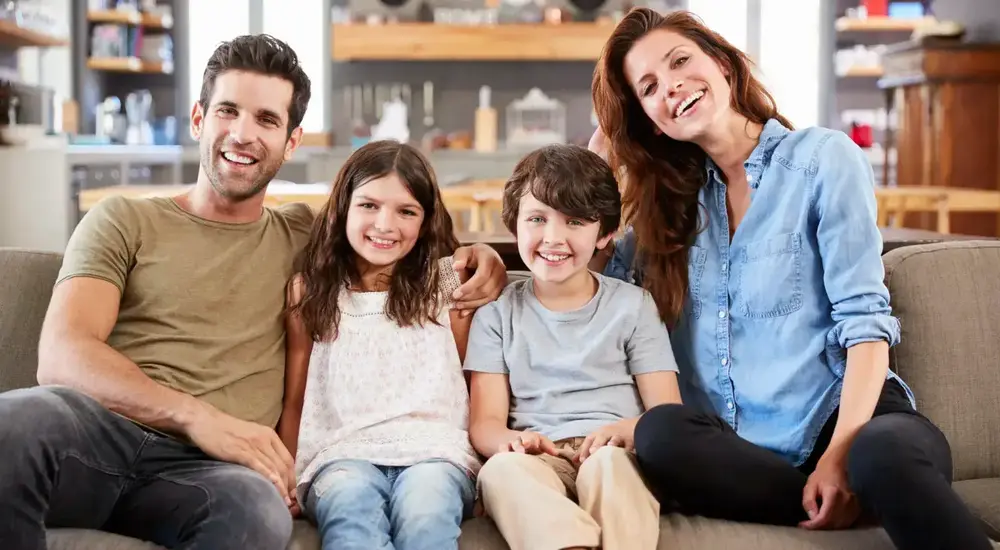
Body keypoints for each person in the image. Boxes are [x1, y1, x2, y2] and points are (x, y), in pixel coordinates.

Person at [0, 35, 507, 550]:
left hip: (211, 473)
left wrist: (480, 255)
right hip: (100, 438)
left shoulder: (305, 237)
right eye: (227, 111)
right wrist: (198, 417)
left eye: (266, 120)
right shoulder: (123, 219)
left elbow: (392, 235)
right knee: (14, 420)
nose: (242, 134)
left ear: (291, 142)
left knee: (258, 517)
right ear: (199, 119)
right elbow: (62, 355)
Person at [589, 8, 992, 550]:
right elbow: (592, 285)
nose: (673, 86)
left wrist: (839, 456)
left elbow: (866, 325)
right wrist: (597, 158)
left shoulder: (822, 159)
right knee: (660, 432)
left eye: (681, 61)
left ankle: (852, 481)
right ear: (651, 121)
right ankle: (824, 499)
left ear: (724, 66)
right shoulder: (665, 216)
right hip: (740, 458)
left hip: (849, 421)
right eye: (650, 87)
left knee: (882, 454)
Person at [464, 144, 681, 550]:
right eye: (537, 219)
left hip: (617, 453)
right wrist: (510, 442)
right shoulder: (496, 316)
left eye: (575, 221)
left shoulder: (633, 306)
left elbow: (666, 414)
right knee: (499, 472)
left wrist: (624, 430)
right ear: (515, 225)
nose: (553, 238)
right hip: (538, 458)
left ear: (606, 234)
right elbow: (485, 424)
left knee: (609, 470)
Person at [277, 140, 480, 550]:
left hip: (436, 455)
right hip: (339, 459)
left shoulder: (447, 285)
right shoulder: (310, 291)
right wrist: (284, 475)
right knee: (351, 520)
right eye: (369, 205)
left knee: (426, 517)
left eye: (406, 211)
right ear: (342, 209)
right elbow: (295, 399)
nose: (385, 225)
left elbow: (472, 385)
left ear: (425, 222)